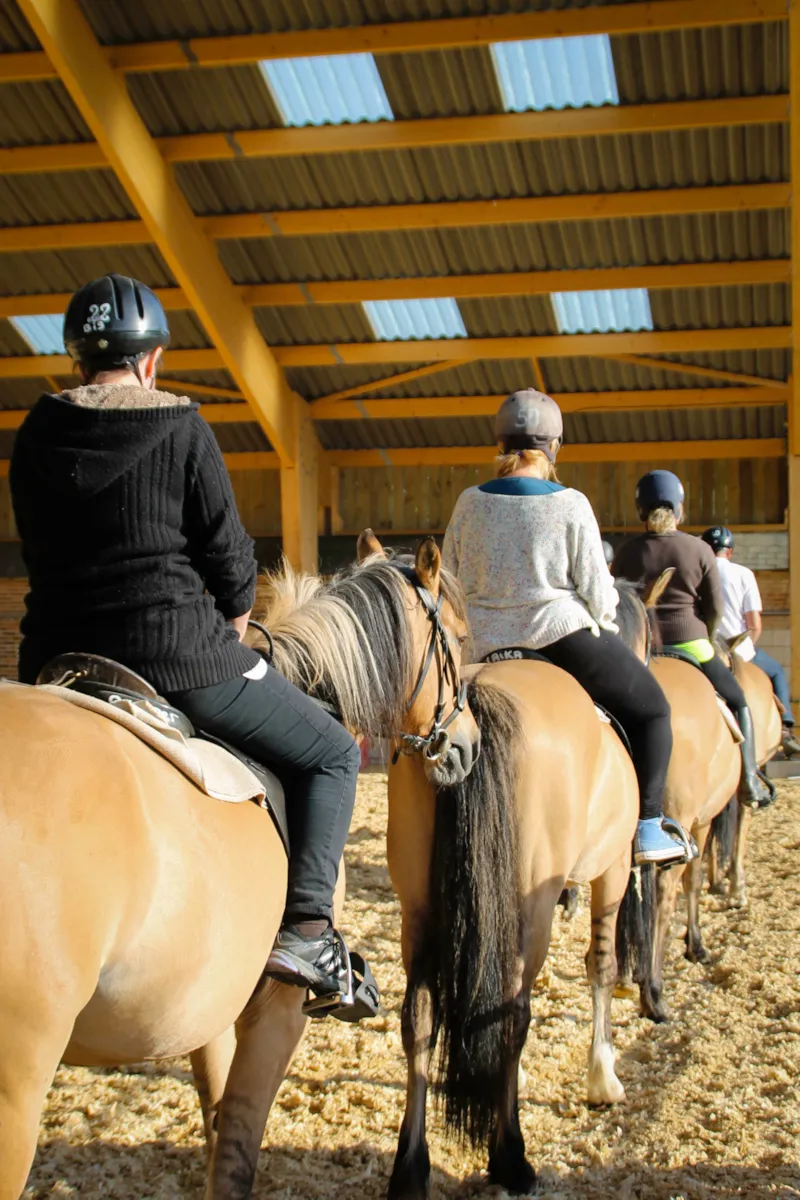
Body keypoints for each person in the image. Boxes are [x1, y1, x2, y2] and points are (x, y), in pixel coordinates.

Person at [9, 273, 371, 1007]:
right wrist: (234, 623)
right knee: (332, 750)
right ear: (152, 360)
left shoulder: (36, 433)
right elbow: (232, 563)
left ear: (78, 358)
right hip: (179, 659)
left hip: (56, 663)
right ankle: (307, 929)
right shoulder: (180, 426)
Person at [442, 388, 686, 865]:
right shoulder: (571, 502)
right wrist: (609, 624)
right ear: (552, 447)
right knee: (654, 710)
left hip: (483, 645)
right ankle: (649, 827)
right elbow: (597, 591)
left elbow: (450, 577)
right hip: (560, 636)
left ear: (502, 443)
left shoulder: (469, 502)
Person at [613, 473, 770, 807]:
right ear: (679, 511)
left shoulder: (626, 552)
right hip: (691, 644)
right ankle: (750, 781)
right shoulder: (699, 549)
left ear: (641, 510)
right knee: (739, 700)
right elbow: (715, 607)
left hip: (642, 648)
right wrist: (707, 637)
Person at [701, 526, 800, 757]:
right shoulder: (744, 574)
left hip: (705, 650)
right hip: (738, 650)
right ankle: (786, 729)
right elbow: (754, 623)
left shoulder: (698, 571)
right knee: (775, 671)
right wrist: (749, 648)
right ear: (730, 551)